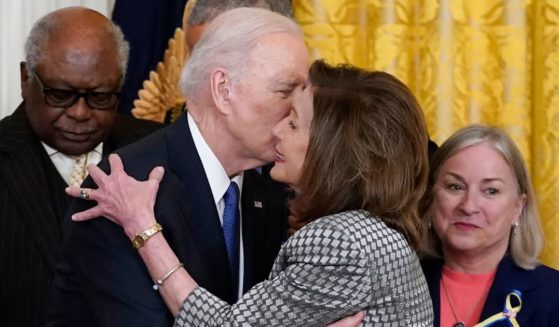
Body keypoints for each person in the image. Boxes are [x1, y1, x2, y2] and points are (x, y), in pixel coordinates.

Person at [67, 59, 435, 326]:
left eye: (293, 123)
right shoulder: (372, 231)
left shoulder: (338, 242)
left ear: (332, 152)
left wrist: (142, 227)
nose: (278, 132)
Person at [47, 8, 306, 326]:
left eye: (303, 93)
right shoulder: (123, 190)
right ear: (223, 90)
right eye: (285, 91)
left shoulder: (271, 189)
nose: (300, 110)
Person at [0, 7, 162, 327]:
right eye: (60, 94)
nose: (79, 113)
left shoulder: (158, 151)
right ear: (25, 79)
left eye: (100, 97)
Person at [419, 125, 559, 326]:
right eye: (455, 187)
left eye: (490, 191)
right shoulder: (393, 284)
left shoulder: (554, 296)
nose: (468, 206)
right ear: (431, 198)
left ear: (518, 207)